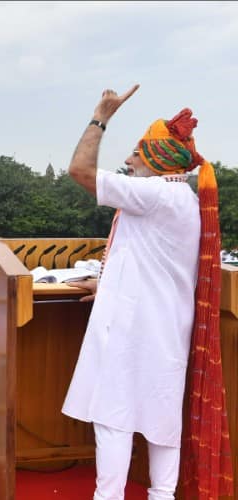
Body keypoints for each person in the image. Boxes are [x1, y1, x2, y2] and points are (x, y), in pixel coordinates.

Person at [63, 85, 232, 500]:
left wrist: (101, 115)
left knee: (113, 416)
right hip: (165, 329)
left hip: (134, 331)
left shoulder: (156, 194)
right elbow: (152, 261)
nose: (127, 159)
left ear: (156, 160)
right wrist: (107, 284)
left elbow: (80, 172)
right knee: (161, 421)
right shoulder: (184, 199)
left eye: (136, 153)